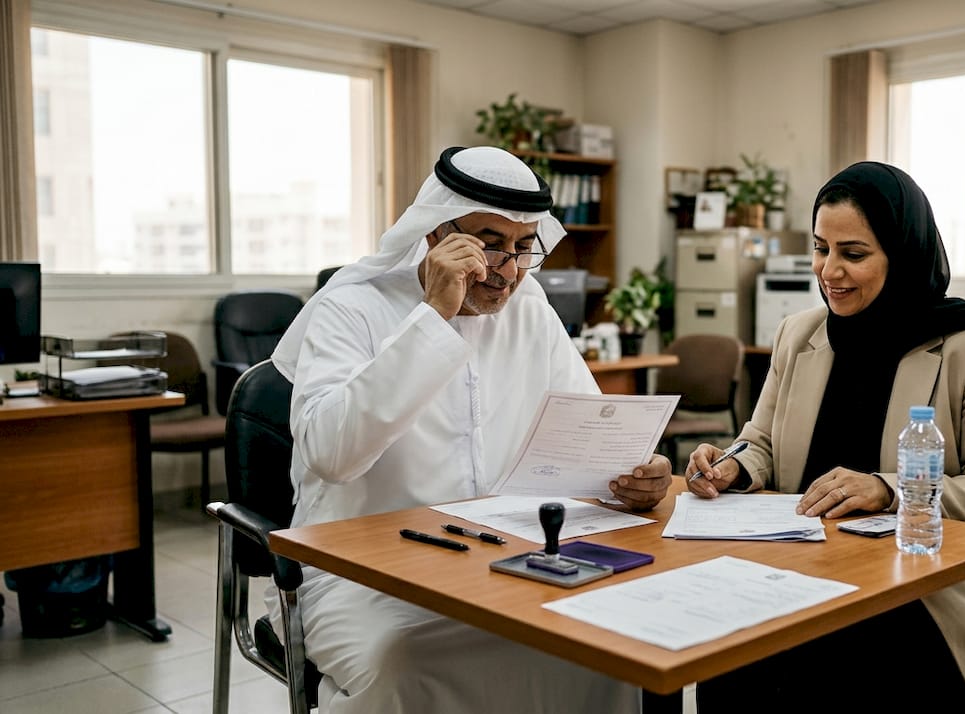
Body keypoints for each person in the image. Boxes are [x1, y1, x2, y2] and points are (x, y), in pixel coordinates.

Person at [269, 146, 672, 713]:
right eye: (490, 242)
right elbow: (331, 454)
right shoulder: (353, 307)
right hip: (369, 574)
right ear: (436, 234)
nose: (507, 270)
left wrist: (632, 472)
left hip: (506, 558)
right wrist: (433, 316)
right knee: (407, 660)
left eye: (522, 246)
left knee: (607, 643)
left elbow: (589, 428)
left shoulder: (528, 308)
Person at [685, 161, 965, 713]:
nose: (829, 271)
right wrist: (733, 465)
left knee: (839, 670)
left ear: (901, 255)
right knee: (726, 660)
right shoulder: (800, 333)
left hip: (926, 592)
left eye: (853, 254)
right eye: (819, 248)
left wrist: (889, 488)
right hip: (804, 571)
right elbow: (759, 438)